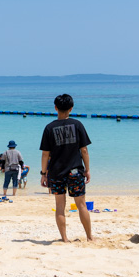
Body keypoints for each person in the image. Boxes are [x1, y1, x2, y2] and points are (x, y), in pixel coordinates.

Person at [39, 93, 93, 243]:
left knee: (60, 206)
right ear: (71, 108)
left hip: (56, 172)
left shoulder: (49, 128)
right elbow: (84, 151)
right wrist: (87, 170)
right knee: (81, 204)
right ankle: (89, 237)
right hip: (75, 171)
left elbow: (45, 154)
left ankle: (64, 238)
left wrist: (43, 173)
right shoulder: (77, 125)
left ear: (55, 108)